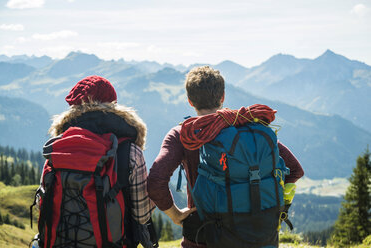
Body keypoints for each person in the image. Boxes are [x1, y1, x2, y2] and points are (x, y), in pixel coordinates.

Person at [147, 66, 304, 248]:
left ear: (190, 101)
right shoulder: (247, 130)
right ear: (222, 97)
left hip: (202, 235)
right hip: (256, 235)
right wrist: (273, 209)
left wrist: (176, 215)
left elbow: (156, 181)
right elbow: (295, 170)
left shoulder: (184, 134)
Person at [42, 75, 156, 247]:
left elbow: (43, 205)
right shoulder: (129, 151)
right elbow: (142, 214)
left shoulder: (58, 149)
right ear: (113, 105)